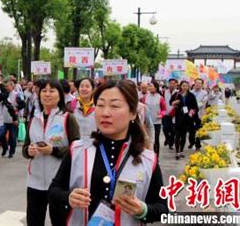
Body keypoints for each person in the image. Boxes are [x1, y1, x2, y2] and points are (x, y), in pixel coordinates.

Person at [49, 80, 167, 225]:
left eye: (115, 106)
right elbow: (54, 191)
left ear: (132, 113)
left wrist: (143, 210)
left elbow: (163, 208)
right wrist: (68, 198)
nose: (105, 113)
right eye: (100, 105)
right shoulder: (78, 150)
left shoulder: (147, 159)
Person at [22, 80, 80, 226]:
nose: (47, 94)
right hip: (35, 181)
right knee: (34, 221)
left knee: (59, 221)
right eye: (44, 91)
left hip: (59, 182)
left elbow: (76, 149)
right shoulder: (34, 120)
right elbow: (25, 148)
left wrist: (53, 150)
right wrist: (29, 151)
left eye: (52, 90)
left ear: (60, 96)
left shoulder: (67, 118)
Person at [171, 80, 198, 160]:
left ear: (188, 87)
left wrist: (191, 111)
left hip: (187, 118)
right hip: (178, 117)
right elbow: (170, 102)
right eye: (183, 86)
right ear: (180, 86)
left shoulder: (191, 95)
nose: (185, 87)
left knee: (183, 136)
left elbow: (195, 107)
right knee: (177, 135)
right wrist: (175, 103)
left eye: (186, 86)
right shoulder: (177, 94)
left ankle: (182, 150)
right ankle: (177, 152)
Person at [0, 79, 25, 158]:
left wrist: (16, 108)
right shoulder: (3, 95)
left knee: (13, 137)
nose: (6, 88)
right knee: (1, 135)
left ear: (12, 86)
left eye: (7, 86)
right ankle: (5, 148)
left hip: (13, 119)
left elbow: (23, 104)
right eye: (5, 86)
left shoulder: (16, 95)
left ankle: (12, 151)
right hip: (3, 118)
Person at [141, 81, 166, 155]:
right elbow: (142, 108)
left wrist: (161, 115)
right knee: (146, 139)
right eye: (149, 86)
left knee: (156, 139)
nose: (149, 87)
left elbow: (164, 109)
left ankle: (156, 156)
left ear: (156, 87)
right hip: (146, 122)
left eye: (151, 86)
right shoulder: (145, 97)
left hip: (156, 122)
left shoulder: (160, 98)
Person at [189, 78, 207, 150]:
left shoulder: (204, 93)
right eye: (197, 83)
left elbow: (203, 103)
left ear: (202, 84)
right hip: (191, 114)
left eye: (200, 83)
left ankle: (198, 144)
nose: (198, 84)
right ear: (194, 83)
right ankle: (191, 141)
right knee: (191, 129)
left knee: (199, 129)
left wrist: (194, 107)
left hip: (200, 114)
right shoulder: (190, 92)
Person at [162, 78, 178, 150]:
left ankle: (171, 143)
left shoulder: (178, 92)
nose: (172, 84)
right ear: (168, 84)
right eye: (170, 83)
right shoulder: (164, 92)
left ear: (176, 84)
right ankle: (167, 138)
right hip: (166, 113)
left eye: (173, 83)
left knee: (173, 130)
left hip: (175, 114)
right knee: (165, 128)